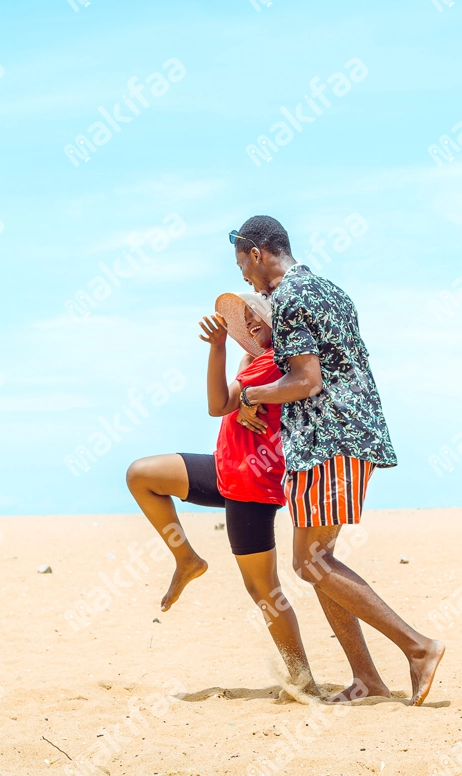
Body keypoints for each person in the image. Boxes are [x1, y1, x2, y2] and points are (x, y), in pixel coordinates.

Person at [229, 215, 445, 706]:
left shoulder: (287, 298)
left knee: (309, 561)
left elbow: (307, 380)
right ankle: (367, 678)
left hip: (329, 435)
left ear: (256, 252)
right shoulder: (330, 289)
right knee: (319, 561)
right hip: (351, 433)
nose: (243, 275)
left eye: (241, 263)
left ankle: (418, 648)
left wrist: (253, 395)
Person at [125, 292, 318, 696]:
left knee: (263, 590)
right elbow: (218, 405)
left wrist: (248, 398)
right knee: (142, 475)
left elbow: (293, 391)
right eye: (241, 320)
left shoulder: (286, 362)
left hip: (251, 484)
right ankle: (187, 559)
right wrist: (218, 349)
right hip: (222, 467)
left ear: (274, 319)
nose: (247, 324)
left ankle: (302, 679)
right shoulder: (254, 361)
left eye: (254, 316)